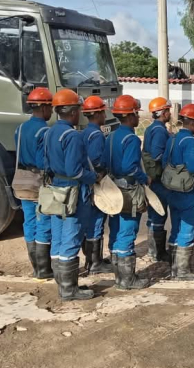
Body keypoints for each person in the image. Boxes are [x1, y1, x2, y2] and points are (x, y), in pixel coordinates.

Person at [44, 89, 97, 301]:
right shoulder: (73, 136)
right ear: (73, 111)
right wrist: (93, 177)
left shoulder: (50, 132)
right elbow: (75, 170)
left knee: (57, 235)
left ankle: (62, 284)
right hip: (74, 191)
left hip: (56, 189)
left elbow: (46, 164)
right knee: (72, 236)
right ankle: (69, 290)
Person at [105, 95, 150, 290]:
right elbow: (130, 167)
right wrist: (144, 178)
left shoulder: (111, 135)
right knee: (127, 231)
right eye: (137, 115)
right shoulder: (131, 138)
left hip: (112, 188)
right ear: (130, 116)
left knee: (115, 230)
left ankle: (118, 277)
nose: (139, 118)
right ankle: (127, 280)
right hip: (128, 190)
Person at [164, 104, 194, 280]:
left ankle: (174, 268)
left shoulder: (172, 139)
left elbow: (163, 162)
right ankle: (183, 272)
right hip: (187, 192)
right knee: (187, 229)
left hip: (172, 190)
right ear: (191, 123)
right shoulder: (190, 141)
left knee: (175, 227)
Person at [15, 87, 53, 279]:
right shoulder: (45, 131)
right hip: (38, 182)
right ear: (44, 108)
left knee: (29, 222)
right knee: (44, 222)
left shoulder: (20, 129)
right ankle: (45, 269)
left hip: (21, 181)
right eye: (51, 107)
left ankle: (36, 268)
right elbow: (42, 162)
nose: (52, 111)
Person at [79, 96, 113, 275]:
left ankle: (90, 261)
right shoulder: (97, 135)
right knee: (96, 222)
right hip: (96, 183)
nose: (105, 114)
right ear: (98, 113)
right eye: (103, 111)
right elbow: (97, 161)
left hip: (85, 183)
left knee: (89, 222)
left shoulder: (83, 132)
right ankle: (94, 263)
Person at [143, 97, 173, 263]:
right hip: (159, 178)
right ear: (164, 112)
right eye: (168, 110)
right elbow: (157, 155)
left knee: (155, 213)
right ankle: (158, 252)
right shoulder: (160, 131)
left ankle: (154, 250)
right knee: (159, 214)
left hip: (153, 177)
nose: (170, 113)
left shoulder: (151, 129)